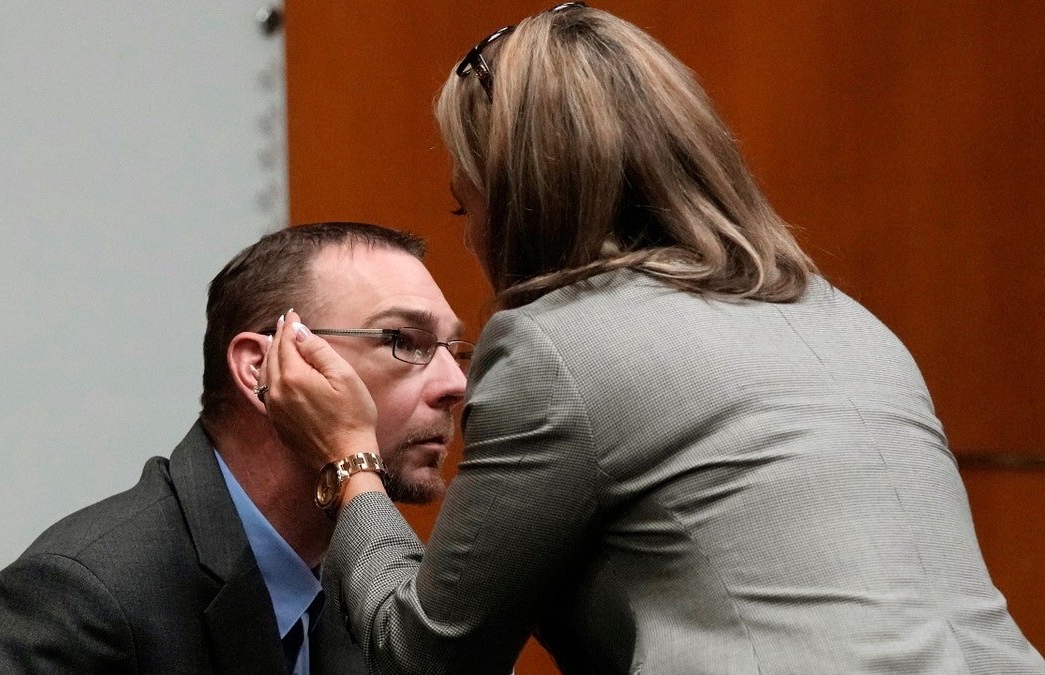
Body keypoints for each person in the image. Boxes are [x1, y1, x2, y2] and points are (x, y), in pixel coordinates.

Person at [258, 4, 1045, 674]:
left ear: (524, 198)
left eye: (468, 209)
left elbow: (423, 655)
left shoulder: (554, 345)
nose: (472, 242)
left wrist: (349, 459)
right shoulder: (849, 320)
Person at [0, 222, 470, 674]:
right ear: (263, 369)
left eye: (454, 349)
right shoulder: (81, 597)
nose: (455, 385)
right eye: (403, 341)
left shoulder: (370, 574)